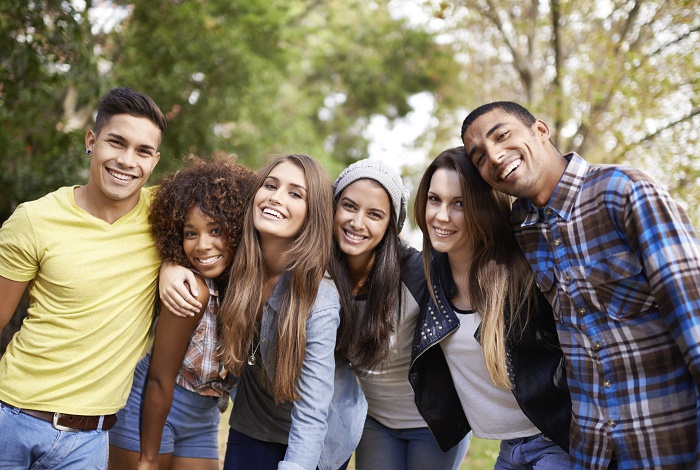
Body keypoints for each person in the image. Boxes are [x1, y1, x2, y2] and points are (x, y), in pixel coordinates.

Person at [461, 101, 700, 470]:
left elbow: (694, 323)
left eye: (502, 135)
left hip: (669, 445)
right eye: (479, 157)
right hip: (592, 455)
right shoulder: (523, 229)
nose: (494, 156)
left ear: (540, 130)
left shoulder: (624, 192)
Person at [160, 154, 367, 470]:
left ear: (314, 214)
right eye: (270, 185)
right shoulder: (236, 258)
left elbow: (312, 411)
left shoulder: (319, 298)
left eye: (295, 193)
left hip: (318, 432)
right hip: (254, 420)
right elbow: (187, 234)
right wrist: (170, 265)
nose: (276, 197)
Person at [0, 86, 166, 469]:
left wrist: (173, 265)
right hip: (13, 420)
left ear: (154, 161)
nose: (127, 160)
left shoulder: (164, 215)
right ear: (92, 141)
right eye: (116, 143)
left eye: (142, 151)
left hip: (90, 442)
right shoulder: (34, 219)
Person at [410, 147, 573, 469]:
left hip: (558, 441)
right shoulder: (429, 275)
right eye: (434, 199)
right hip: (510, 447)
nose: (441, 216)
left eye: (459, 203)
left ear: (484, 208)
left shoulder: (525, 272)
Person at [108, 154, 255, 469]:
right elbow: (160, 378)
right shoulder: (191, 290)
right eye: (191, 233)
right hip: (152, 412)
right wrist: (147, 459)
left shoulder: (243, 288)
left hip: (203, 416)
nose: (202, 245)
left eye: (215, 230)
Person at [329, 159, 470, 470]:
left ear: (390, 226)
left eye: (375, 214)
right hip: (375, 419)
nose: (357, 222)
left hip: (433, 423)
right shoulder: (320, 273)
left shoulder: (421, 274)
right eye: (349, 207)